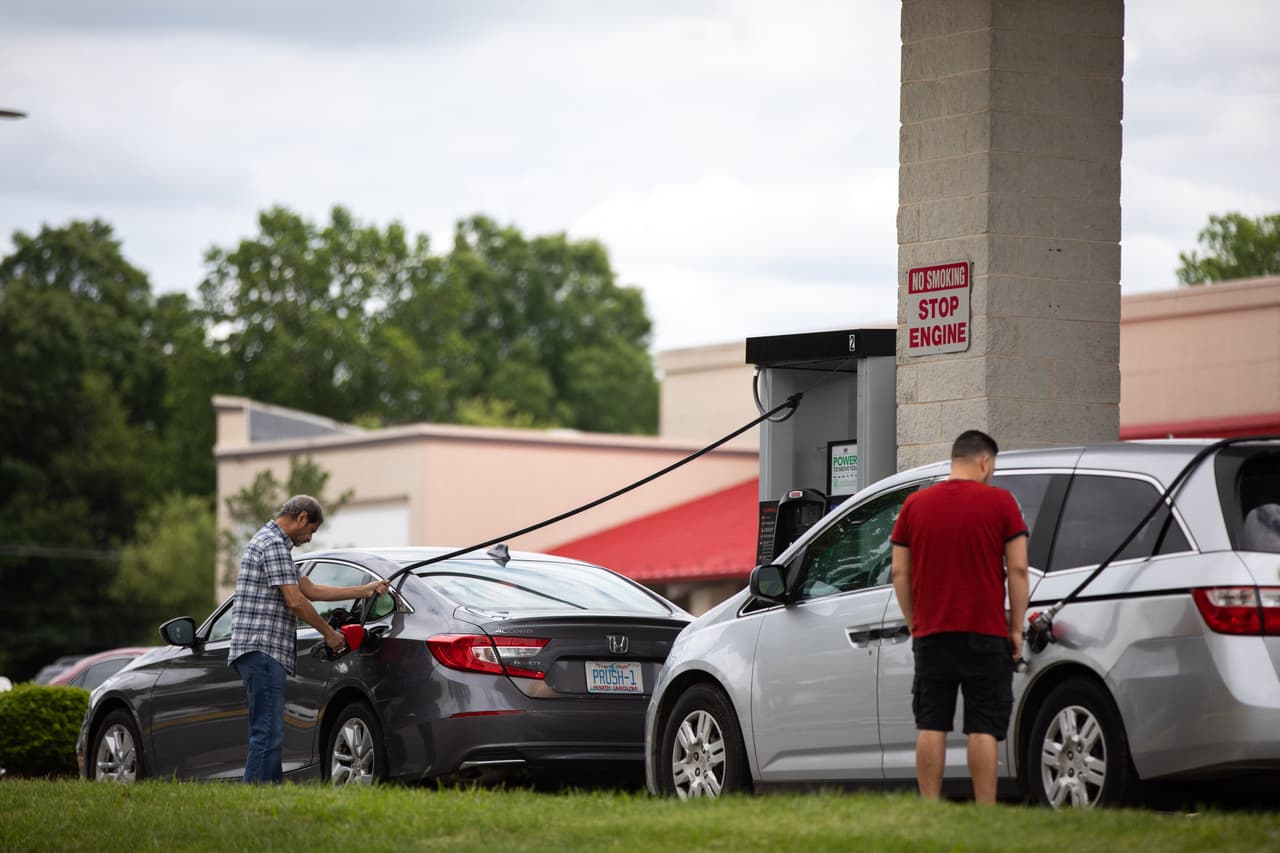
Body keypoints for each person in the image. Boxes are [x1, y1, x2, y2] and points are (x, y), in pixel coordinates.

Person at [889, 430, 1029, 804]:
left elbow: (899, 572)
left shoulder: (915, 505)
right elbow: (1017, 570)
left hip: (932, 632)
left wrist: (914, 619)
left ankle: (930, 806)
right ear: (985, 461)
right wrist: (1016, 627)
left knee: (931, 723)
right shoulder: (1002, 503)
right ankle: (984, 809)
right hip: (986, 632)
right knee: (983, 726)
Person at [229, 494, 389, 784]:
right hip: (262, 647)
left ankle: (263, 793)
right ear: (301, 518)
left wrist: (364, 590)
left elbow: (312, 590)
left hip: (261, 650)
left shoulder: (272, 544)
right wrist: (329, 634)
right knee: (267, 730)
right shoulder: (273, 545)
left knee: (268, 729)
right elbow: (296, 601)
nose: (309, 538)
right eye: (311, 531)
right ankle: (257, 795)